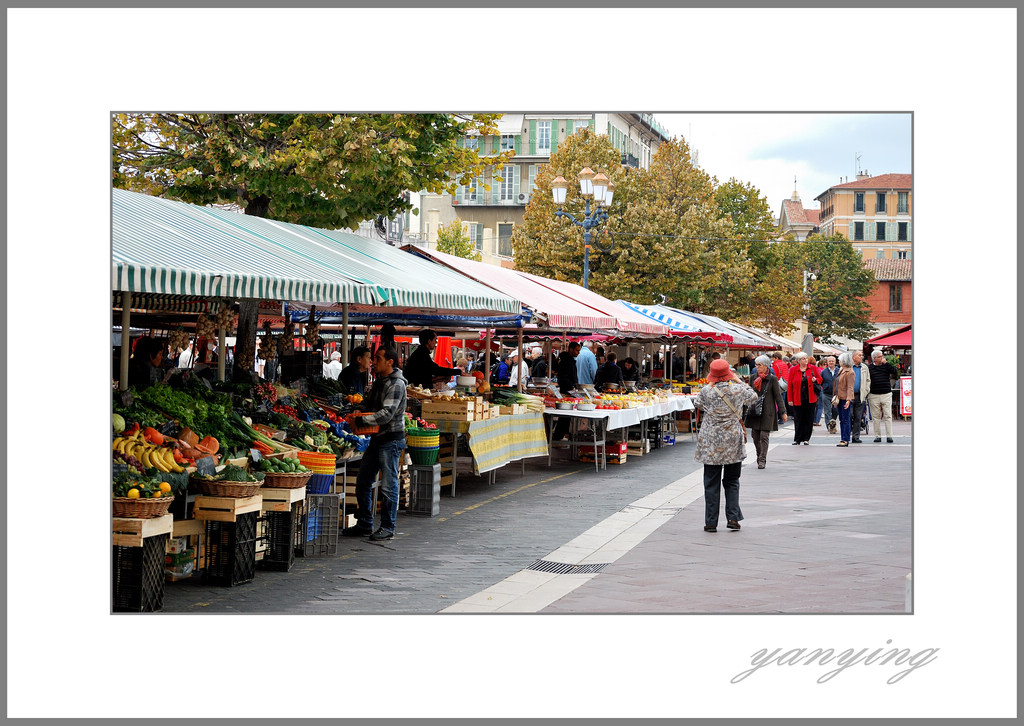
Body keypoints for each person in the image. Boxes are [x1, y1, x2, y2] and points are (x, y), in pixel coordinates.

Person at [342, 347, 408, 541]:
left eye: (378, 358)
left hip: (391, 439)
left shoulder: (396, 384)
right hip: (377, 439)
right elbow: (370, 405)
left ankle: (388, 526)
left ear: (390, 362)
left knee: (389, 485)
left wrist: (363, 420)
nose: (374, 361)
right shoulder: (380, 382)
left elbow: (387, 413)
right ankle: (364, 523)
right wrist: (357, 410)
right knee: (363, 481)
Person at [693, 359, 758, 532]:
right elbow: (753, 397)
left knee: (711, 483)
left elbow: (697, 403)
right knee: (732, 481)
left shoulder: (706, 391)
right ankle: (733, 517)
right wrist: (740, 381)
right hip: (732, 441)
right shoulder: (738, 389)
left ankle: (711, 522)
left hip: (711, 443)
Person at [745, 355, 787, 469]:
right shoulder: (753, 377)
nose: (757, 367)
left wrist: (783, 412)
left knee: (764, 436)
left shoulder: (772, 379)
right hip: (755, 410)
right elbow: (748, 394)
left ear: (766, 366)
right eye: (756, 365)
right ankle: (759, 455)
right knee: (755, 435)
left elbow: (778, 396)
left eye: (759, 365)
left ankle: (762, 459)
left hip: (768, 411)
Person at [786, 352, 822, 445]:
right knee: (798, 419)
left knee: (809, 419)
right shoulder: (793, 370)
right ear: (798, 361)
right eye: (803, 359)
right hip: (797, 398)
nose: (806, 360)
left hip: (810, 398)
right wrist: (790, 399)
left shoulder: (813, 368)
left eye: (806, 358)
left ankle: (806, 438)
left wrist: (815, 380)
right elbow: (790, 385)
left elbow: (820, 379)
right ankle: (797, 439)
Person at [551, 343, 581, 441]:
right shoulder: (567, 361)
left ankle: (560, 435)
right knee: (565, 416)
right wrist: (572, 387)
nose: (578, 352)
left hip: (569, 390)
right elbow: (563, 377)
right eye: (577, 350)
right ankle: (558, 436)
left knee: (566, 417)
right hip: (567, 391)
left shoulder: (569, 360)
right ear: (571, 349)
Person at [867, 350, 898, 443]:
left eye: (882, 356)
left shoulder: (886, 366)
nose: (882, 358)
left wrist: (887, 363)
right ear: (874, 358)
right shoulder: (870, 368)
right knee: (876, 417)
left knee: (888, 415)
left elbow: (895, 372)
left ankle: (889, 436)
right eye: (880, 356)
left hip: (886, 394)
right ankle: (877, 436)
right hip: (873, 395)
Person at [834, 353, 856, 447]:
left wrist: (848, 400)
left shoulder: (850, 372)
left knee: (845, 419)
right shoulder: (842, 370)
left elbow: (850, 387)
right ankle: (843, 438)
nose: (838, 361)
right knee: (842, 419)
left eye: (840, 360)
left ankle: (845, 439)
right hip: (839, 397)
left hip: (844, 398)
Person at [851, 350, 870, 443]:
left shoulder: (864, 367)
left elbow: (868, 380)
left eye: (862, 355)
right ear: (853, 357)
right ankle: (847, 435)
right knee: (849, 415)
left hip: (860, 395)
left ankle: (855, 436)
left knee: (858, 417)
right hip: (849, 396)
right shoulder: (848, 367)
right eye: (859, 355)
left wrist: (866, 391)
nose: (861, 357)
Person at [818, 355, 839, 433]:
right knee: (827, 411)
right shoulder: (823, 372)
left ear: (835, 362)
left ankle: (833, 422)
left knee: (835, 410)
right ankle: (829, 427)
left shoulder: (839, 370)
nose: (831, 362)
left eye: (832, 361)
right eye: (829, 361)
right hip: (826, 394)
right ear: (827, 362)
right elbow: (821, 381)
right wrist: (825, 387)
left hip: (836, 395)